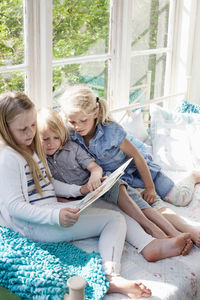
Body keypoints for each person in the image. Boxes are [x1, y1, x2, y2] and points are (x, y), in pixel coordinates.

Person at [0, 91, 154, 299]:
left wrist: (78, 192)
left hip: (49, 212)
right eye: (23, 128)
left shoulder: (30, 148)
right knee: (114, 220)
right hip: (34, 225)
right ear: (5, 128)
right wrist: (56, 216)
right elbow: (15, 207)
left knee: (114, 213)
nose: (30, 133)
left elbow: (48, 184)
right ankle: (111, 276)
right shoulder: (8, 157)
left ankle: (147, 244)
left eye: (33, 126)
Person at [37, 107, 192, 258]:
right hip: (82, 197)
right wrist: (64, 200)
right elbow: (51, 187)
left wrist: (94, 178)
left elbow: (95, 168)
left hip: (99, 184)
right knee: (119, 211)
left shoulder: (73, 147)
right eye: (45, 139)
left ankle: (161, 230)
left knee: (131, 197)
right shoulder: (39, 160)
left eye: (56, 137)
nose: (51, 143)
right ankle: (157, 236)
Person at [60, 84, 200, 248]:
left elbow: (137, 156)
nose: (78, 126)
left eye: (83, 121)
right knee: (152, 207)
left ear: (95, 112)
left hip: (141, 172)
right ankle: (186, 231)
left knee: (179, 199)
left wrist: (150, 188)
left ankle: (192, 177)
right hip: (124, 181)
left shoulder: (111, 131)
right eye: (72, 121)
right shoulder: (71, 134)